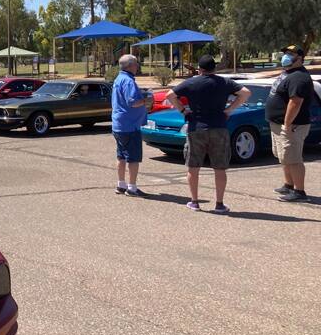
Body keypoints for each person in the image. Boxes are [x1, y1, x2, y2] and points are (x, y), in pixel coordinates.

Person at [166, 55, 251, 213]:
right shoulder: (224, 82)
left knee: (193, 167)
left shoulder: (191, 82)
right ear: (214, 68)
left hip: (196, 127)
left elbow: (170, 95)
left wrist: (183, 110)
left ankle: (195, 202)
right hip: (219, 126)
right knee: (219, 168)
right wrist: (229, 110)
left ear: (199, 68)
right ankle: (219, 204)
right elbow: (245, 93)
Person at [265, 45, 315, 202]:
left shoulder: (299, 77)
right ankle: (289, 185)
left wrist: (287, 124)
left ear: (300, 58)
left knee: (293, 158)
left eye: (291, 54)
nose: (286, 56)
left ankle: (300, 192)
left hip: (293, 126)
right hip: (278, 123)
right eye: (285, 53)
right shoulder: (288, 73)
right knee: (284, 156)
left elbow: (296, 102)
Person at [111, 54, 148, 197]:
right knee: (133, 158)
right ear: (131, 66)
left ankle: (121, 184)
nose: (138, 66)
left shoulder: (119, 79)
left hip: (119, 124)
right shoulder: (128, 81)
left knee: (121, 156)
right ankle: (132, 188)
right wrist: (146, 98)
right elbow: (133, 102)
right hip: (130, 126)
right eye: (136, 64)